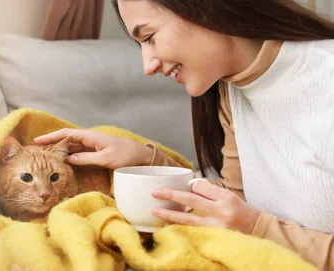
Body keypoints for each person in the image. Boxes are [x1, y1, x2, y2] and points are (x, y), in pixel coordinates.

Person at [34, 0, 334, 269]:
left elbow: (252, 221)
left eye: (149, 37)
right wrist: (146, 161)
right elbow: (235, 202)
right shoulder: (232, 92)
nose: (147, 66)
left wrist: (258, 228)